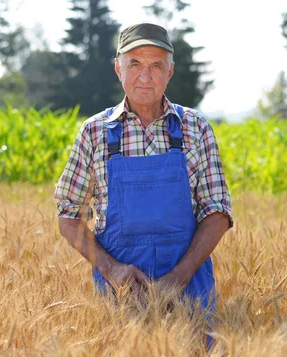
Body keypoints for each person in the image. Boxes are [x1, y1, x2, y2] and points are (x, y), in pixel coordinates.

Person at [54, 22, 233, 320]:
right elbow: (68, 217)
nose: (145, 76)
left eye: (156, 66)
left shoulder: (195, 127)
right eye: (135, 63)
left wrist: (180, 277)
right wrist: (112, 270)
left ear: (170, 71)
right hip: (119, 295)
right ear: (118, 68)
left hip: (190, 292)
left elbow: (218, 212)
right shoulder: (94, 132)